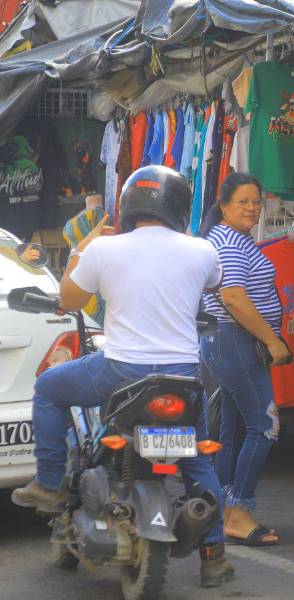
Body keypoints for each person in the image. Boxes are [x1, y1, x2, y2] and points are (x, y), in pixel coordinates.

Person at [11, 165, 235, 588]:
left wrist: (89, 243)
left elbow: (70, 298)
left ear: (129, 204)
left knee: (47, 389)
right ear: (179, 206)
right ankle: (215, 558)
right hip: (183, 376)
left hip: (120, 373)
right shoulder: (202, 250)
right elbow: (211, 286)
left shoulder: (104, 251)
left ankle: (48, 484)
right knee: (199, 461)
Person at [200, 172, 291, 547]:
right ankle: (237, 512)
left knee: (234, 431)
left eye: (256, 201)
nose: (252, 208)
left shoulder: (230, 238)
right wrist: (273, 341)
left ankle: (224, 510)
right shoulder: (228, 242)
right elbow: (234, 298)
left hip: (229, 341)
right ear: (224, 205)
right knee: (264, 426)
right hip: (234, 340)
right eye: (243, 202)